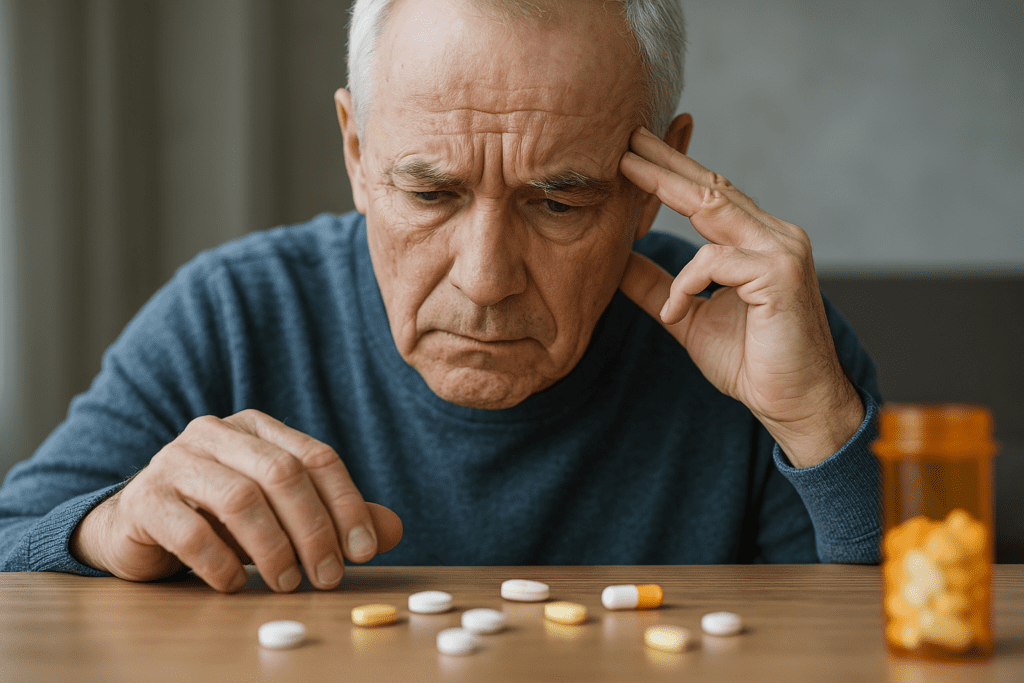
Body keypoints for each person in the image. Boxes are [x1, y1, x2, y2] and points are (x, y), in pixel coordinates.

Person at [0, 0, 882, 594]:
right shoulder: (234, 312)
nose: (485, 277)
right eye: (430, 195)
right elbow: (12, 542)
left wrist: (817, 423)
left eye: (558, 202)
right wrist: (104, 529)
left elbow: (902, 635)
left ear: (654, 181)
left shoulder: (765, 340)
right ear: (356, 150)